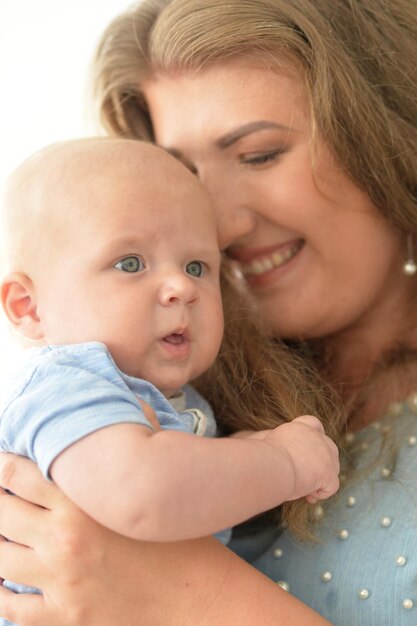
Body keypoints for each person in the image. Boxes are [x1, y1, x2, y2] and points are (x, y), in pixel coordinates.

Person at [0, 0, 415, 624]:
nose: (215, 225)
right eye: (183, 171)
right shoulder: (145, 389)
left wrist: (186, 594)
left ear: (387, 133)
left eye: (259, 155)